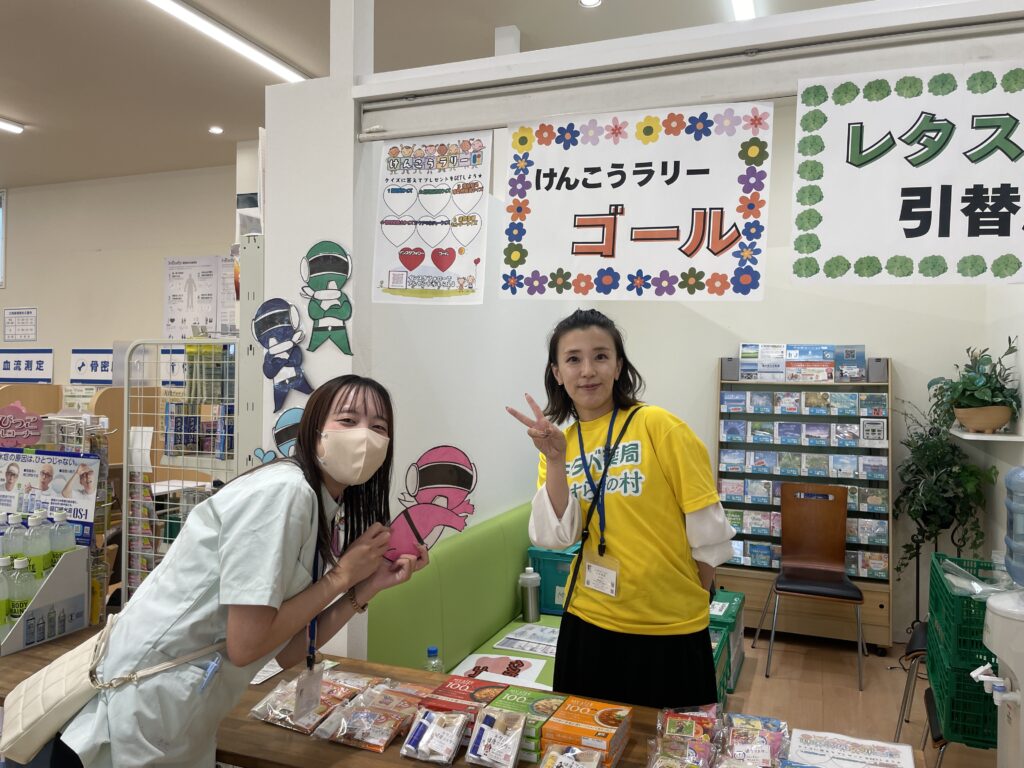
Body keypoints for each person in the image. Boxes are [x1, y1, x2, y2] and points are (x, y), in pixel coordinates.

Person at [16, 375, 428, 768]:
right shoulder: (285, 492)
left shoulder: (316, 503)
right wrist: (340, 578)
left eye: (379, 427)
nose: (364, 437)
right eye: (348, 420)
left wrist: (366, 587)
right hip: (134, 715)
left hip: (174, 716)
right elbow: (246, 646)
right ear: (315, 430)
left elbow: (286, 651)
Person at [507, 309, 734, 709]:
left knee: (668, 741)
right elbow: (555, 537)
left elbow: (709, 532)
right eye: (573, 359)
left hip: (669, 627)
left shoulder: (659, 426)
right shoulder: (559, 443)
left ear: (618, 366)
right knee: (586, 739)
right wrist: (556, 460)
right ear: (557, 372)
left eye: (600, 356)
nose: (587, 370)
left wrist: (683, 596)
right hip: (588, 622)